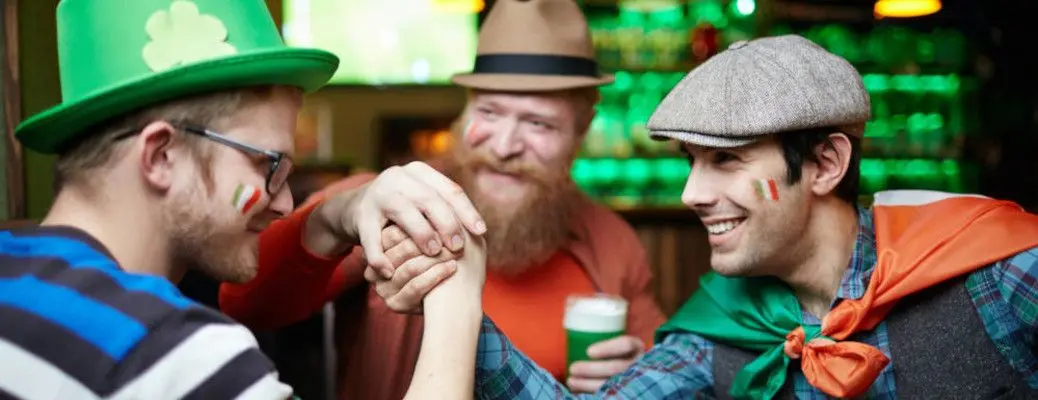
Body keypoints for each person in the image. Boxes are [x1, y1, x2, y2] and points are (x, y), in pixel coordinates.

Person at [374, 35, 1038, 399]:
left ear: (827, 163)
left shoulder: (997, 275)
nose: (692, 193)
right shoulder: (717, 334)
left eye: (724, 161)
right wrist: (459, 292)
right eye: (691, 162)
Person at [0, 0, 484, 399]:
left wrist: (342, 211)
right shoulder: (183, 359)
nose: (282, 202)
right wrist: (458, 300)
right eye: (267, 165)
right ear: (161, 155)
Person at [219, 0, 667, 398]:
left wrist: (634, 373)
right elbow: (244, 302)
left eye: (538, 125)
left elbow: (660, 368)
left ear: (581, 132)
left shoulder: (612, 243)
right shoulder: (388, 203)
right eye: (489, 112)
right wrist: (336, 217)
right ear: (465, 107)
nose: (505, 145)